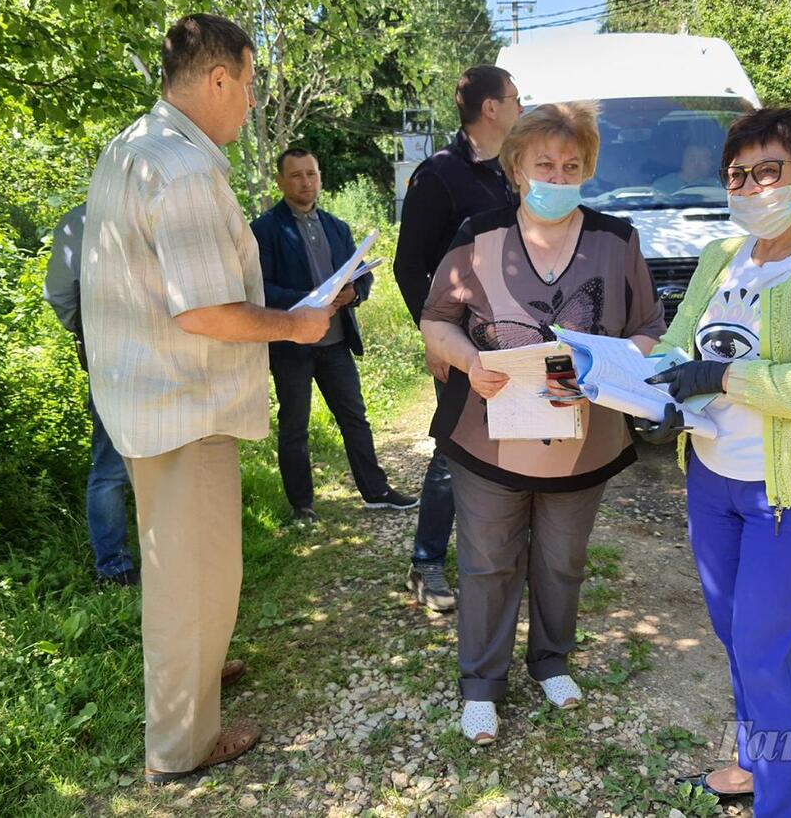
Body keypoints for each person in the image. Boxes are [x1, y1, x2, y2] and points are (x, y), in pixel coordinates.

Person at [81, 14, 333, 785]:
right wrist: (294, 325)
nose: (251, 101)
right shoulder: (185, 170)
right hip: (183, 403)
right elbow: (203, 310)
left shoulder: (134, 146)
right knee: (196, 577)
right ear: (218, 79)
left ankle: (194, 673)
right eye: (251, 84)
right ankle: (183, 745)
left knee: (177, 567)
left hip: (146, 398)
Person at [641, 105, 791, 816]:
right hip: (711, 480)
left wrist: (722, 379)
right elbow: (679, 341)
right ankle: (753, 765)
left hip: (786, 492)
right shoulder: (721, 257)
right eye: (737, 174)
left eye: (766, 172)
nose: (749, 187)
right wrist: (643, 381)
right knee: (737, 636)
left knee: (763, 649)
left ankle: (780, 806)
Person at [420, 101, 665, 744]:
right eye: (544, 165)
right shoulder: (477, 235)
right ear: (517, 168)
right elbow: (436, 320)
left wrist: (615, 359)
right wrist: (469, 359)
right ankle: (481, 685)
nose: (558, 177)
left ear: (587, 170)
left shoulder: (617, 240)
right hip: (489, 435)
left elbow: (648, 329)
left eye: (572, 165)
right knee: (487, 563)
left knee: (561, 561)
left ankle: (551, 661)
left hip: (582, 444)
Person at [393, 65, 522, 612]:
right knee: (454, 449)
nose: (521, 106)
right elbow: (408, 267)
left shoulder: (510, 172)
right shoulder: (439, 175)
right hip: (465, 343)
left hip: (517, 338)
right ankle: (425, 564)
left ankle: (500, 556)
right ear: (490, 108)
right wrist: (436, 335)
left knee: (514, 443)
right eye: (516, 98)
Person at [250, 148, 417, 522]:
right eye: (295, 175)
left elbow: (363, 274)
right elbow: (260, 289)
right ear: (280, 181)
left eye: (311, 174)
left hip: (336, 342)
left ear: (320, 177)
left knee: (355, 417)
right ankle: (302, 505)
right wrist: (308, 301)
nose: (305, 182)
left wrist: (355, 292)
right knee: (295, 426)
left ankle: (375, 491)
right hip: (292, 345)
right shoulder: (264, 230)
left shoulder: (337, 227)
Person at [42, 204, 138, 585]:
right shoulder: (79, 222)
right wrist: (91, 332)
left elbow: (61, 297)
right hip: (113, 363)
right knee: (112, 466)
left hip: (137, 359)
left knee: (126, 465)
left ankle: (146, 559)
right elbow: (61, 295)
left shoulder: (82, 219)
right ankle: (114, 566)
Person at [653, 142, 719, 192]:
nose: (697, 164)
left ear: (711, 163)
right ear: (682, 162)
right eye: (691, 159)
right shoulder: (661, 186)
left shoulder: (716, 186)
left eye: (703, 159)